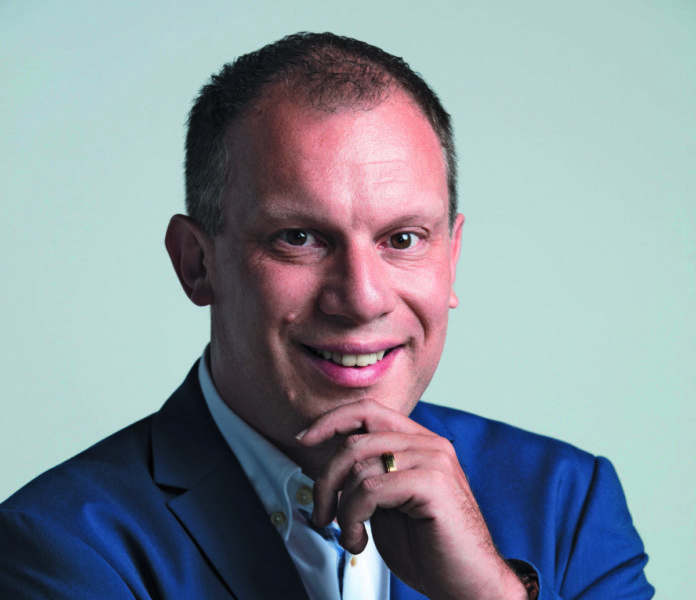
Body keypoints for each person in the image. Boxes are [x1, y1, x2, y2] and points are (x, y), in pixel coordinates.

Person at [0, 32, 653, 600]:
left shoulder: (568, 503)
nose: (363, 298)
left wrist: (490, 595)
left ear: (451, 259)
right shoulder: (60, 545)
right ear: (196, 263)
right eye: (300, 238)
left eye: (403, 239)